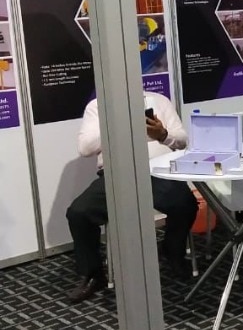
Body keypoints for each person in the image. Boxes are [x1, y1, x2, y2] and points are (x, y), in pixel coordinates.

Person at [66, 92, 198, 303]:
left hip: (157, 171)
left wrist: (163, 134)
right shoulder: (97, 106)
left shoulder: (160, 101)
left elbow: (182, 141)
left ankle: (173, 251)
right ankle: (92, 274)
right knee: (78, 213)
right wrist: (115, 123)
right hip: (116, 174)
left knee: (185, 204)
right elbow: (85, 148)